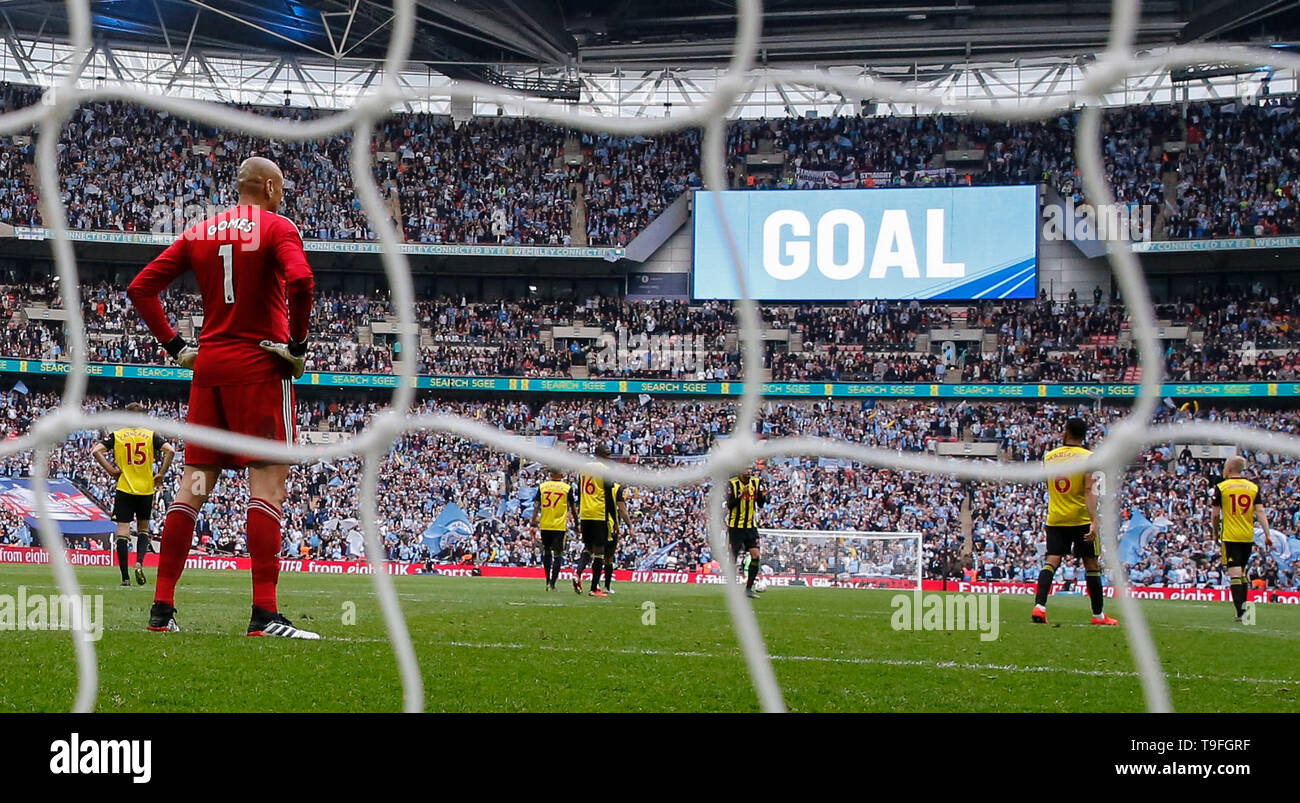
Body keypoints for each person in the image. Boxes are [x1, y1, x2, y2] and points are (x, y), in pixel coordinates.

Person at [127, 156, 320, 639]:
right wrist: (296, 346)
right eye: (283, 187)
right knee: (268, 488)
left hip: (209, 371)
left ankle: (161, 609)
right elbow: (301, 281)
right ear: (271, 186)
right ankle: (264, 614)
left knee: (192, 488)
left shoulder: (202, 231)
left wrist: (176, 346)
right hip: (259, 367)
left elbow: (141, 287)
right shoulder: (277, 227)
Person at [1031, 417, 1118, 626]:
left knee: (1052, 560)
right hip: (1080, 518)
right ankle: (1098, 616)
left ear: (1066, 431)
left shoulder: (1049, 457)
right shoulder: (1092, 458)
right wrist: (1095, 521)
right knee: (1091, 564)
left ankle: (1040, 606)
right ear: (1084, 435)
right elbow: (1090, 490)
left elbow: (1049, 484)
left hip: (1056, 517)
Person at [90, 402, 175, 587]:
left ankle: (125, 578)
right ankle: (139, 562)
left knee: (123, 532)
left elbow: (96, 451)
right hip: (146, 489)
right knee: (143, 529)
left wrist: (111, 470)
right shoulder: (151, 435)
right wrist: (161, 473)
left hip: (125, 488)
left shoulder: (118, 436)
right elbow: (171, 450)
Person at [1210, 455, 1273, 622]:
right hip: (1247, 535)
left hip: (1230, 535)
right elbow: (1260, 511)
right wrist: (1268, 534)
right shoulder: (1252, 487)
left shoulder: (1222, 487)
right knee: (1242, 572)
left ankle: (1241, 614)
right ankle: (1246, 612)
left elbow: (1216, 514)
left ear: (1229, 469)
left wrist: (1215, 533)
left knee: (1235, 573)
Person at [574, 446, 613, 597]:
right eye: (607, 454)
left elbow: (580, 490)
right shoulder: (605, 470)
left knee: (588, 547)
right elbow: (608, 496)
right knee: (599, 551)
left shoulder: (583, 469)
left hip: (585, 513)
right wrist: (613, 520)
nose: (609, 458)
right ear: (600, 455)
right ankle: (594, 588)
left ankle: (577, 573)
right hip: (598, 512)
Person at [532, 468, 576, 591]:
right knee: (557, 555)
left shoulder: (543, 487)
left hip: (545, 524)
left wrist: (533, 521)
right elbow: (572, 508)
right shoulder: (567, 488)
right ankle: (552, 583)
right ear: (560, 474)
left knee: (546, 552)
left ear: (551, 474)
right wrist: (577, 524)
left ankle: (547, 580)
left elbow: (536, 506)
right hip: (559, 526)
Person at [726, 464, 766, 599]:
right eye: (746, 469)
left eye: (750, 469)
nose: (748, 471)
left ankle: (748, 589)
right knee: (733, 557)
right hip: (735, 527)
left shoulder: (756, 482)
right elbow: (730, 505)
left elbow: (760, 503)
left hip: (750, 526)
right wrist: (740, 495)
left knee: (756, 556)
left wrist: (762, 496)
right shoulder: (732, 484)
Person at [601, 481, 632, 594]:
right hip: (610, 525)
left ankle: (593, 584)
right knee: (608, 557)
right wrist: (630, 527)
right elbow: (623, 510)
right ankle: (607, 587)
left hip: (595, 522)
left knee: (596, 554)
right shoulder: (616, 488)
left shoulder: (596, 486)